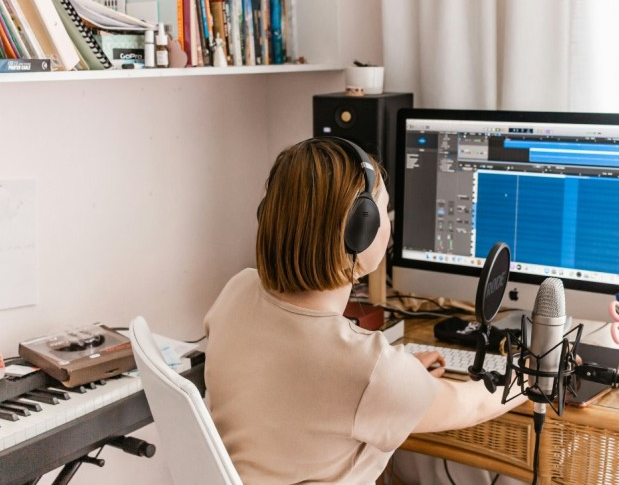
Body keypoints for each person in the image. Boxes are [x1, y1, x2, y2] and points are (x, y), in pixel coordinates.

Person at [204, 137, 526, 483]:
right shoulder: (367, 370)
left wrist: (402, 377)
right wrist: (535, 373)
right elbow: (473, 403)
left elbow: (300, 387)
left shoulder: (236, 291)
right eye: (384, 209)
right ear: (361, 229)